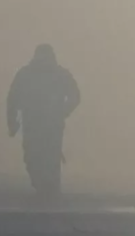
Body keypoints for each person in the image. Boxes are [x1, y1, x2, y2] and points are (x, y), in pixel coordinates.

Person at [7, 44, 80, 198]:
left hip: (50, 124)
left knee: (50, 157)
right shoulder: (27, 74)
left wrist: (63, 112)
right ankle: (43, 187)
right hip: (35, 123)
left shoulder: (58, 74)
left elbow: (75, 95)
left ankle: (50, 190)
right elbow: (13, 99)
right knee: (33, 157)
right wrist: (11, 121)